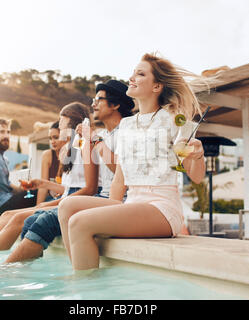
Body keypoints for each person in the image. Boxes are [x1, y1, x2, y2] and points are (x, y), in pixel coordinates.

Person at [58, 53, 209, 271]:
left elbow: (195, 176)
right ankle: (81, 273)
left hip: (162, 207)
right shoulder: (127, 125)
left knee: (79, 223)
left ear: (157, 86)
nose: (132, 78)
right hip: (133, 203)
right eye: (133, 73)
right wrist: (110, 208)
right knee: (67, 206)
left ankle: (85, 290)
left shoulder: (175, 120)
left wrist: (198, 156)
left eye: (140, 74)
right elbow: (120, 177)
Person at [3, 80, 135, 263]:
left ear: (116, 104)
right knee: (31, 219)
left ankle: (9, 268)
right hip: (102, 199)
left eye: (99, 99)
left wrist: (93, 139)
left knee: (45, 219)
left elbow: (123, 172)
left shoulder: (126, 133)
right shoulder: (105, 136)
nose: (93, 104)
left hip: (120, 202)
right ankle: (23, 269)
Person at [0, 101, 101, 252]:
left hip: (75, 202)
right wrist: (42, 184)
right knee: (7, 214)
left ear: (72, 120)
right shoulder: (70, 149)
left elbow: (89, 188)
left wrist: (46, 204)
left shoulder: (85, 145)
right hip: (69, 198)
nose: (59, 124)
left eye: (61, 119)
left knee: (18, 218)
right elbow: (70, 188)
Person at [0, 120, 65, 251]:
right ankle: (42, 211)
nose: (6, 135)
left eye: (8, 132)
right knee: (41, 193)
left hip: (5, 202)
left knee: (37, 191)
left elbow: (7, 186)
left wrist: (23, 189)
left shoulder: (1, 158)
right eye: (2, 132)